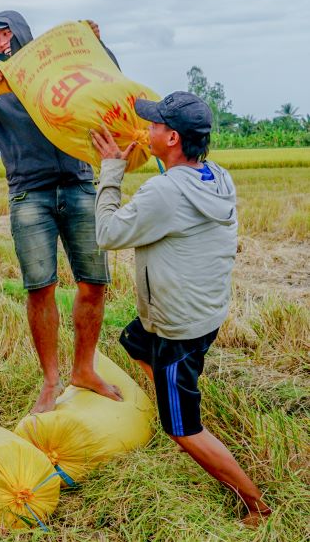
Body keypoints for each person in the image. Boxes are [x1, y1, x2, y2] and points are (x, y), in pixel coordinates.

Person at [91, 91, 271, 526]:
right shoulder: (215, 175)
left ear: (172, 137)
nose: (146, 130)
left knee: (182, 428)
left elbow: (108, 233)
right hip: (203, 309)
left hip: (179, 327)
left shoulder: (164, 193)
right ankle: (171, 398)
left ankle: (256, 505)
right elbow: (172, 185)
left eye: (154, 126)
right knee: (133, 340)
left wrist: (111, 170)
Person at [0, 10, 122, 413]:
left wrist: (98, 46)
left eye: (3, 33)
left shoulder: (58, 70)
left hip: (79, 185)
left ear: (21, 33)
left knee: (93, 282)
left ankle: (84, 369)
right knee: (40, 287)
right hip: (29, 194)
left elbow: (109, 79)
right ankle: (51, 380)